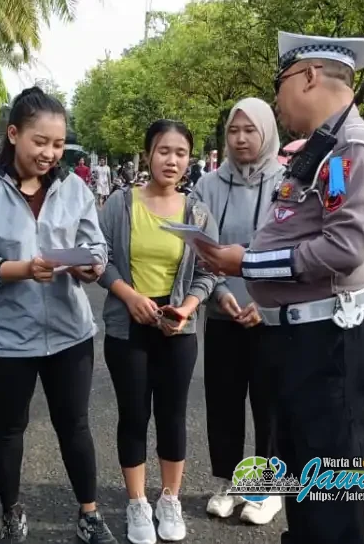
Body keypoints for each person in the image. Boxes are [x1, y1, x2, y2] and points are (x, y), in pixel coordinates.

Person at [195, 31, 364, 544]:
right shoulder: (321, 148)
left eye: (279, 85)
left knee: (332, 489)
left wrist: (249, 264)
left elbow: (343, 247)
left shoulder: (355, 146)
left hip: (331, 338)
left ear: (308, 76)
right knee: (306, 477)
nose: (277, 101)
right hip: (301, 338)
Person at [0, 87, 117, 544]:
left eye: (58, 144)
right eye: (39, 141)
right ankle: (11, 512)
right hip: (4, 339)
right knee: (7, 430)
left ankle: (89, 513)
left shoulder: (75, 187)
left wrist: (91, 265)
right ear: (13, 134)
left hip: (70, 332)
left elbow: (97, 245)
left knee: (75, 425)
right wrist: (21, 270)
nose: (49, 153)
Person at [97, 119, 217, 544]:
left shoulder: (197, 211)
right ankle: (136, 504)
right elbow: (101, 260)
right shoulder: (119, 203)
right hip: (127, 325)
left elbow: (208, 271)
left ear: (190, 160)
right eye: (164, 151)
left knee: (172, 415)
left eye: (181, 153)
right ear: (148, 154)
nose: (172, 160)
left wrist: (186, 308)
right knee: (133, 415)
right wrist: (129, 297)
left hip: (177, 330)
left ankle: (169, 499)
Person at [191, 98, 285, 525]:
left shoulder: (290, 184)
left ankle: (268, 487)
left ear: (266, 131)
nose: (241, 138)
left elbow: (295, 251)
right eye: (234, 130)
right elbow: (195, 248)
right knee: (224, 400)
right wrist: (218, 295)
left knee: (269, 403)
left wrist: (263, 303)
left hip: (272, 317)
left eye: (250, 130)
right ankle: (228, 479)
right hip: (222, 311)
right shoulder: (207, 186)